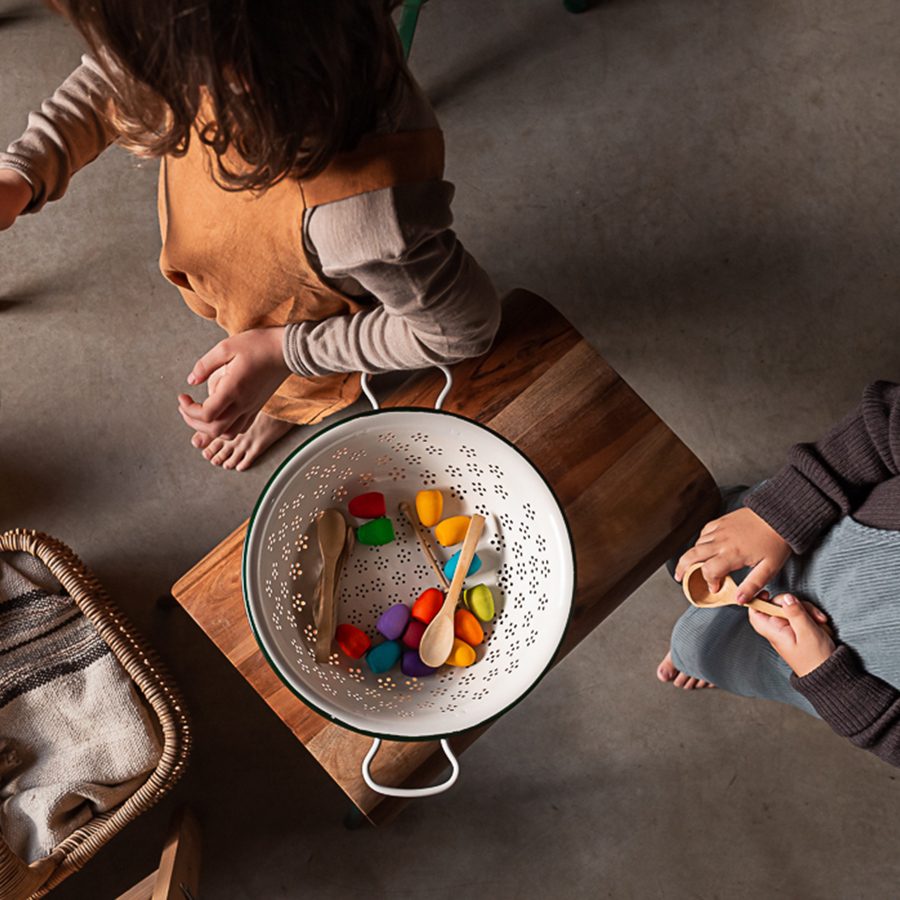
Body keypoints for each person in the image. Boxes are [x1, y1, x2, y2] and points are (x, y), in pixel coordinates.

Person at [0, 0, 500, 470]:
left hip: (303, 319)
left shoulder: (367, 219)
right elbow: (117, 71)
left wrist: (283, 353)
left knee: (286, 365)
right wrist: (20, 173)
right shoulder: (226, 36)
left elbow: (461, 327)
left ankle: (287, 403)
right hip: (246, 255)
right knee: (252, 326)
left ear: (235, 74)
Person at [658, 380, 900, 767]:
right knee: (693, 532)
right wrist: (777, 513)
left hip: (835, 664)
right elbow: (887, 421)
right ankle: (727, 509)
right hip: (818, 532)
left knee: (699, 648)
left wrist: (827, 678)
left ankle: (700, 656)